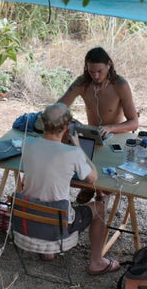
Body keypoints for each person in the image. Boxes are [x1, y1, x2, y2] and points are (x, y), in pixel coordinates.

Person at [20, 102, 120, 275]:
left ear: (42, 123)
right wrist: (79, 149)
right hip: (57, 226)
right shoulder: (72, 153)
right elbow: (93, 178)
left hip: (27, 221)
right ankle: (97, 262)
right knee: (99, 208)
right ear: (67, 127)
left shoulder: (27, 145)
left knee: (44, 196)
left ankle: (47, 252)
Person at [58, 47, 139, 203]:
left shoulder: (120, 85)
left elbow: (134, 122)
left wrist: (110, 128)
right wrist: (71, 120)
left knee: (106, 180)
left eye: (100, 71)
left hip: (116, 139)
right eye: (91, 71)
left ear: (109, 64)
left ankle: (99, 192)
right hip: (92, 137)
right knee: (75, 163)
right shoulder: (82, 83)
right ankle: (92, 189)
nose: (95, 76)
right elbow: (59, 107)